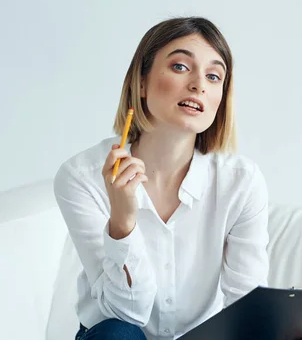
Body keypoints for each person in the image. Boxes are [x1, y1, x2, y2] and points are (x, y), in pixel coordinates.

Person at [53, 17, 271, 340]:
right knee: (118, 333)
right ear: (141, 83)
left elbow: (247, 308)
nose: (199, 84)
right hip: (115, 334)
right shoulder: (80, 177)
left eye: (214, 76)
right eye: (181, 67)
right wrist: (123, 223)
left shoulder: (242, 182)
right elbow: (126, 312)